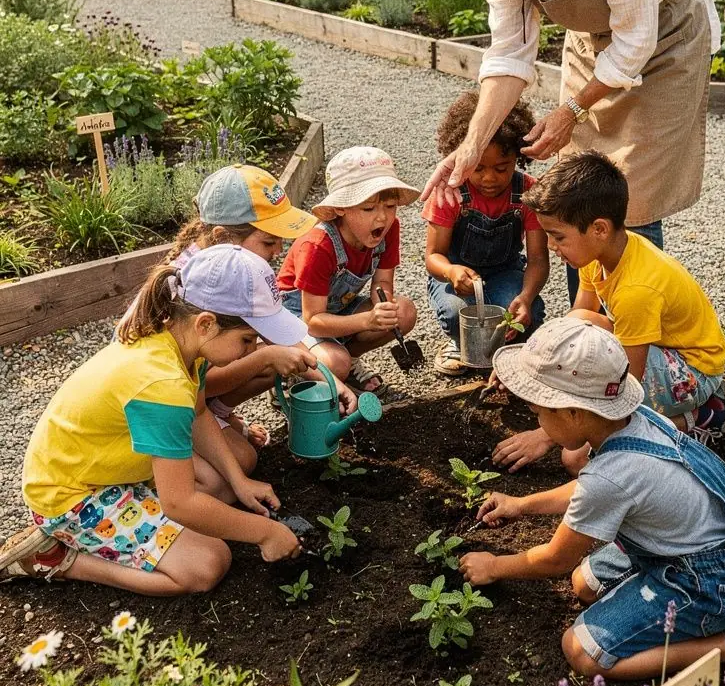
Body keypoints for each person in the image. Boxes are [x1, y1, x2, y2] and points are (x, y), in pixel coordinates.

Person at [408, 0, 721, 300]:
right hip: (592, 37)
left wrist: (571, 109)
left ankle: (630, 324)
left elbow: (635, 43)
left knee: (629, 193)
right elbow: (510, 55)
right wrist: (471, 147)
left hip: (664, 35)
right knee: (576, 185)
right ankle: (584, 324)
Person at [459, 317, 725, 682]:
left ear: (573, 413)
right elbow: (595, 489)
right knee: (583, 584)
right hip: (693, 548)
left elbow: (556, 558)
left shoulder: (611, 475)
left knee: (582, 652)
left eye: (539, 412)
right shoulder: (633, 420)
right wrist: (523, 505)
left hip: (709, 581)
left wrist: (493, 566)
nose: (535, 418)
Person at [1, 246, 314, 594]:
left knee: (220, 486)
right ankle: (58, 559)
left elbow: (198, 414)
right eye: (247, 339)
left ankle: (143, 519)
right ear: (206, 323)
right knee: (207, 563)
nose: (251, 349)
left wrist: (239, 481)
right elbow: (180, 503)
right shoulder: (163, 387)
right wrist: (266, 533)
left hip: (103, 467)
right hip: (72, 494)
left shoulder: (181, 345)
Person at [493, 151, 725, 473]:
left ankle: (702, 417)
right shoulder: (599, 254)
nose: (552, 247)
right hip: (657, 349)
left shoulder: (636, 290)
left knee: (576, 459)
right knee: (584, 324)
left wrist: (547, 434)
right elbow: (577, 322)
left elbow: (627, 387)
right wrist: (528, 360)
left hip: (692, 367)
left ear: (598, 228)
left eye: (558, 237)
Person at [145, 164, 355, 462]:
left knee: (281, 357)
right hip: (170, 402)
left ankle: (220, 414)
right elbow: (192, 382)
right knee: (244, 460)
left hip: (197, 391)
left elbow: (279, 339)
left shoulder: (231, 269)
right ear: (221, 237)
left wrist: (334, 384)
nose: (279, 250)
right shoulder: (191, 289)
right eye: (269, 241)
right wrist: (264, 357)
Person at [423, 91, 549, 374]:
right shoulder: (451, 193)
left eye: (502, 168)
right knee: (458, 314)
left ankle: (504, 349)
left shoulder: (528, 192)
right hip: (454, 276)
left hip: (505, 271)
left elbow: (539, 259)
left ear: (518, 157)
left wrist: (526, 297)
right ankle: (459, 343)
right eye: (478, 168)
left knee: (528, 313)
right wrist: (452, 271)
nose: (489, 178)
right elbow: (433, 256)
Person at [278, 147, 420, 392]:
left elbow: (382, 281)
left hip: (339, 307)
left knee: (403, 312)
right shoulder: (318, 247)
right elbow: (312, 321)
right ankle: (290, 375)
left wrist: (381, 306)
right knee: (336, 364)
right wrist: (367, 320)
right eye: (369, 208)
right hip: (297, 317)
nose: (382, 218)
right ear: (340, 208)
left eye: (390, 206)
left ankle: (345, 359)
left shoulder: (390, 229)